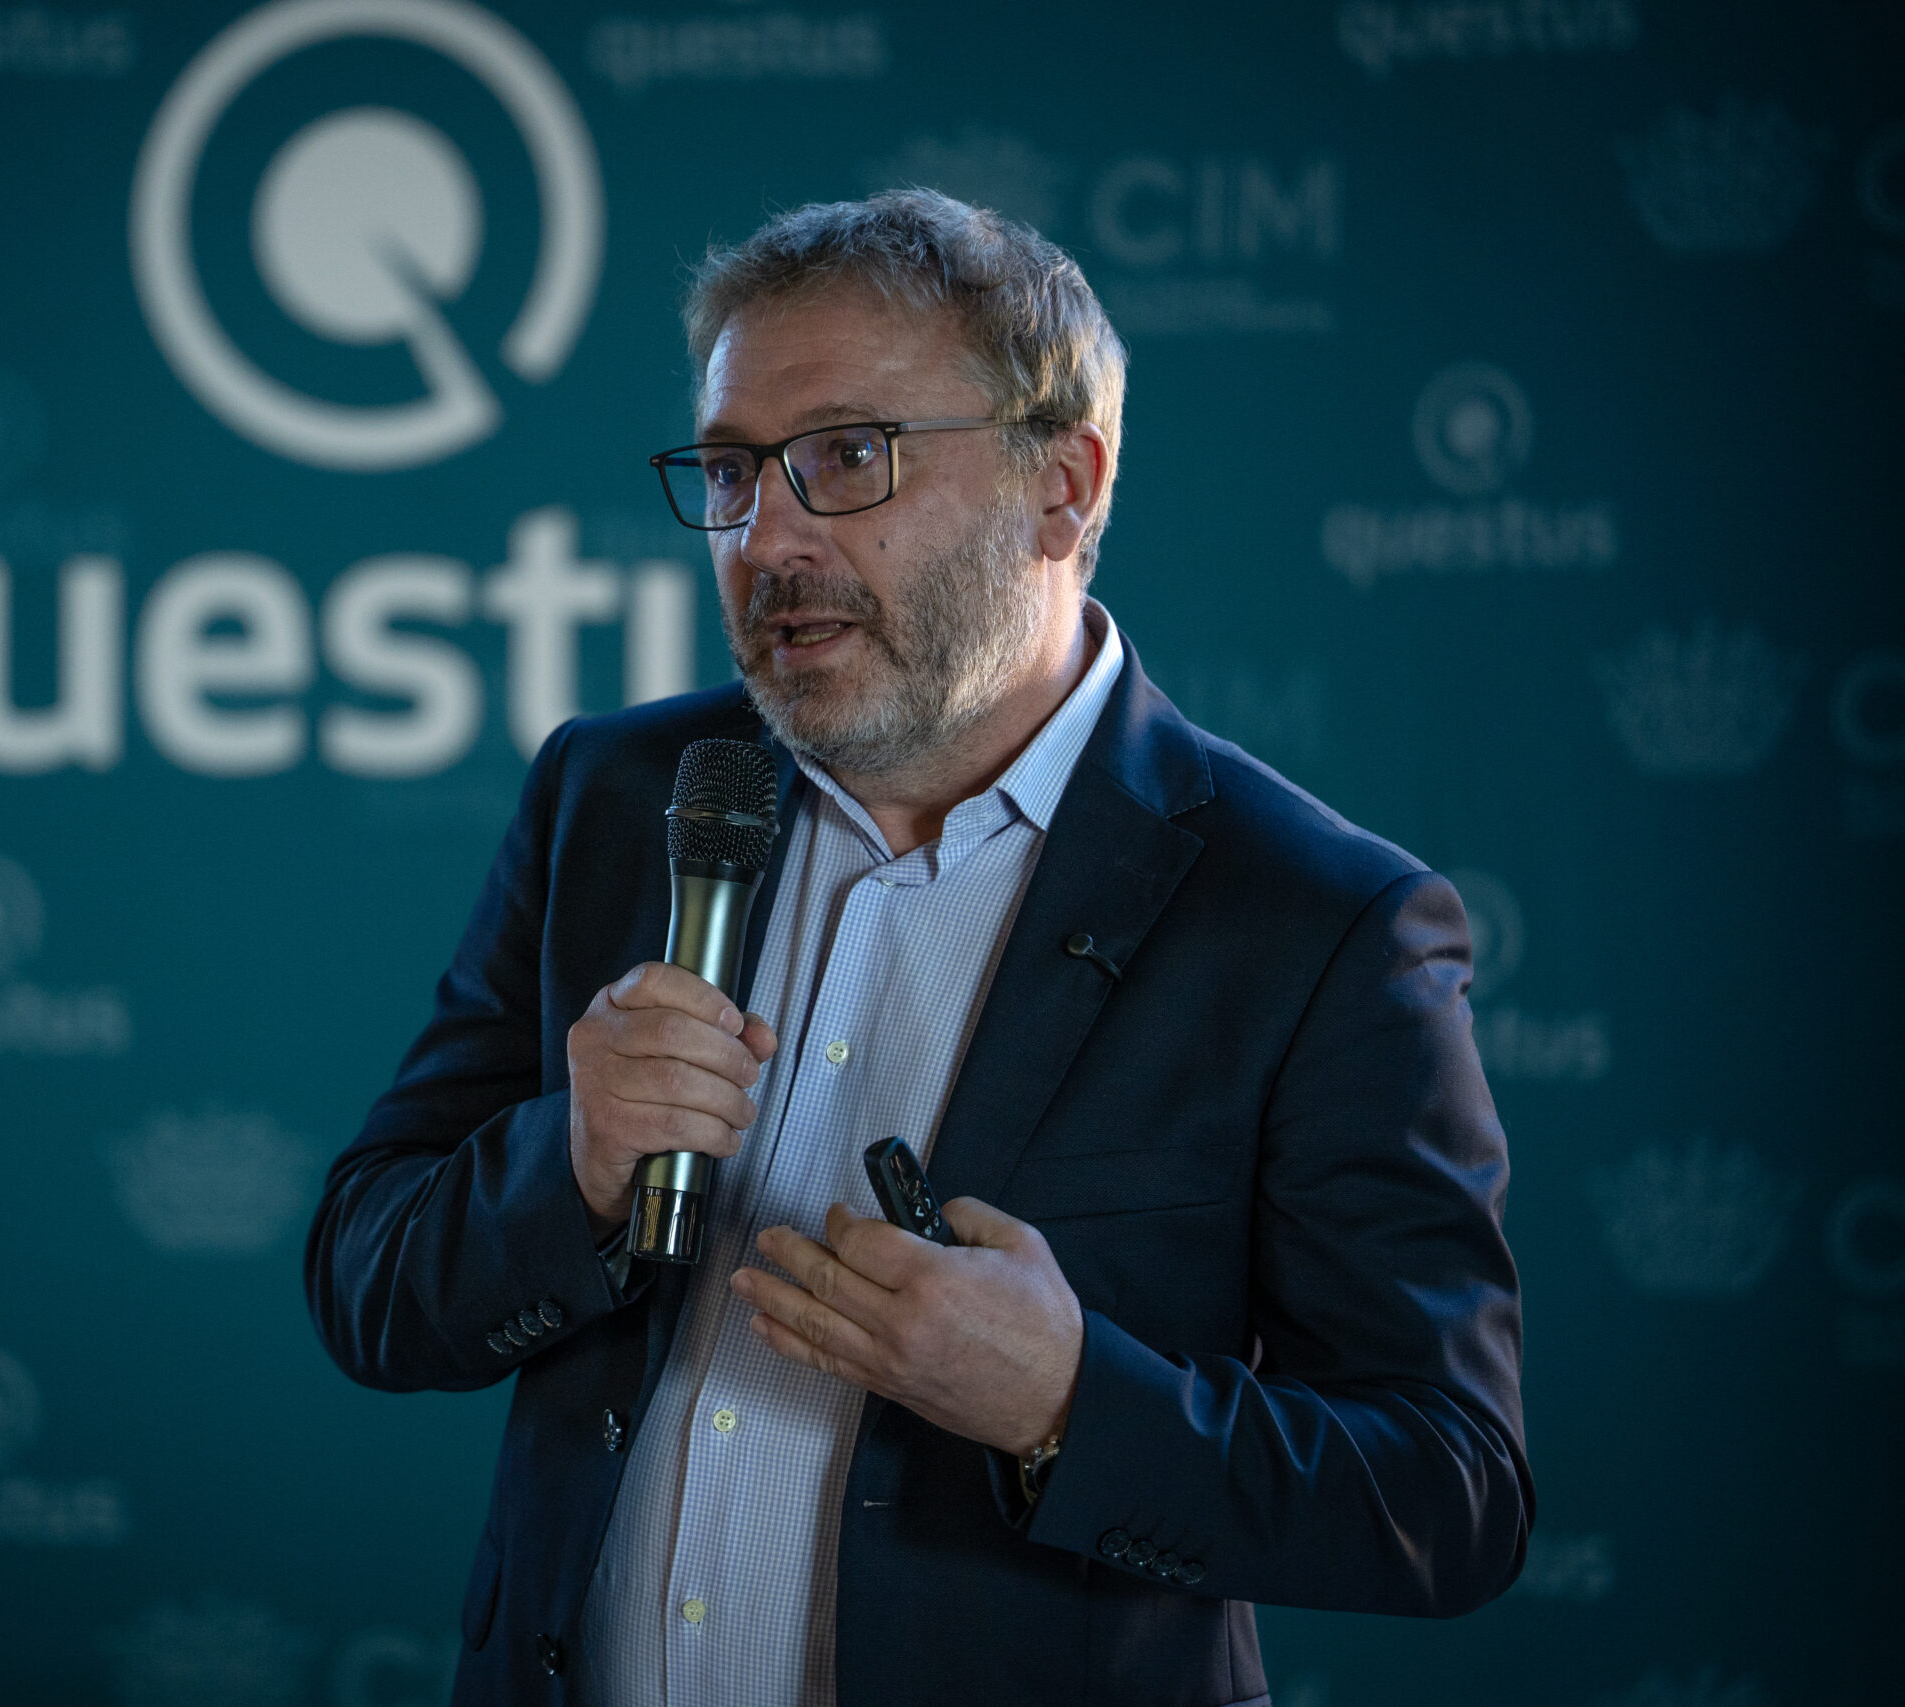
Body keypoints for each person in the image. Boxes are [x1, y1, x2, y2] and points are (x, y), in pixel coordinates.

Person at [305, 189, 1530, 1707]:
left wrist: (1066, 1402)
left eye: (847, 457)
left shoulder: (1316, 921)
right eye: (732, 472)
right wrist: (572, 1165)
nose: (766, 538)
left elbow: (1449, 1492)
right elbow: (365, 1276)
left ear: (1061, 488)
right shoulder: (616, 797)